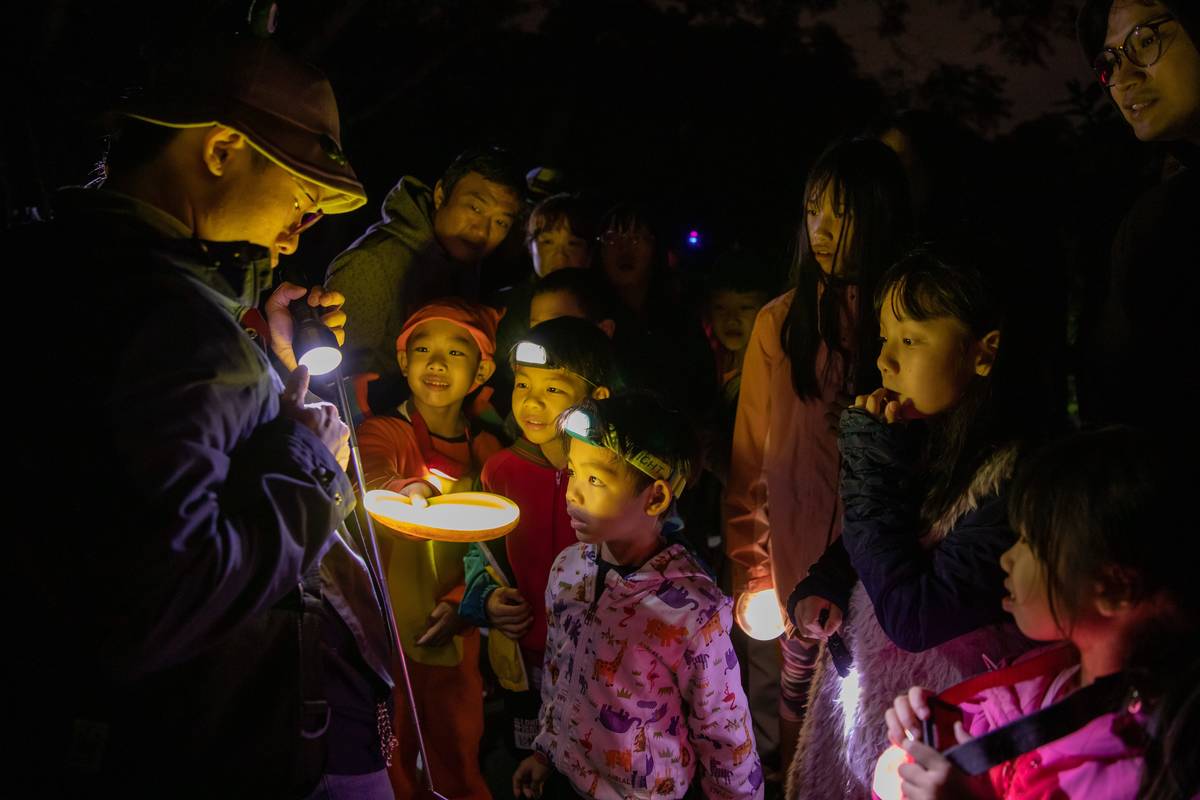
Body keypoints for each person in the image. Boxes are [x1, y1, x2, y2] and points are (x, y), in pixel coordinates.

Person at [14, 35, 401, 798]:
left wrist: (265, 360)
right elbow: (156, 602)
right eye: (302, 194)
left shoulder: (69, 268)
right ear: (223, 149)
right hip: (187, 752)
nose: (303, 225)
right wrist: (310, 463)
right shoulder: (167, 319)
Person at [786, 249, 1055, 798]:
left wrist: (867, 464)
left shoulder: (1017, 478)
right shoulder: (925, 437)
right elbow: (880, 537)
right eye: (884, 338)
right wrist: (827, 580)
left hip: (951, 729)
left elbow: (914, 615)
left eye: (910, 340)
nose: (884, 361)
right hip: (877, 713)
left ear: (984, 352)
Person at [724, 139, 913, 778]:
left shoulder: (904, 325)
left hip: (879, 584)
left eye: (843, 212)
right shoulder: (781, 323)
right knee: (794, 739)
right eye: (813, 212)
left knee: (866, 741)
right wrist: (750, 571)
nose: (823, 230)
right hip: (791, 580)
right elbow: (750, 458)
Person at [879, 428, 1199, 800]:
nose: (1007, 558)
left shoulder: (1142, 771)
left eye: (1029, 541)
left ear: (1113, 589)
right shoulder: (1053, 674)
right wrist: (928, 732)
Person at [512, 392, 764, 800]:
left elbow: (724, 733)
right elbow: (558, 674)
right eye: (573, 471)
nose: (573, 492)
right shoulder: (568, 569)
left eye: (595, 479)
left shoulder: (694, 612)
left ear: (657, 498)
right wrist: (546, 751)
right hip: (566, 780)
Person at [356, 299, 505, 800]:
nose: (436, 363)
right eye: (422, 349)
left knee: (456, 750)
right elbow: (372, 474)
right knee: (387, 752)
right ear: (403, 362)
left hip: (451, 632)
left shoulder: (490, 454)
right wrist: (405, 490)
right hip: (384, 630)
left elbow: (500, 550)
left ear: (482, 367)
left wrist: (466, 599)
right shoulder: (384, 432)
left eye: (454, 352)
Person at [459, 317, 618, 767]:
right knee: (529, 762)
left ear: (597, 398)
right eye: (523, 384)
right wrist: (485, 599)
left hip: (602, 666)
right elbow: (480, 550)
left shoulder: (617, 475)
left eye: (553, 390)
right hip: (525, 660)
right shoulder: (501, 470)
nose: (531, 401)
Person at [1075, 0, 1200, 428]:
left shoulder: (1165, 217)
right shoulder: (1149, 211)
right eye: (1109, 61)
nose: (1123, 79)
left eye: (1145, 41)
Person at [325, 146, 524, 411]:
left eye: (501, 222)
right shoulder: (373, 262)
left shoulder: (464, 262)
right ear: (441, 194)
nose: (482, 230)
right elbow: (338, 380)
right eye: (475, 207)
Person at [597, 202, 717, 422]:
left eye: (636, 238)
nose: (625, 249)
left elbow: (703, 392)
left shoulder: (681, 317)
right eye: (613, 239)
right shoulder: (589, 312)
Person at [492, 192, 598, 415]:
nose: (560, 255)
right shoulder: (506, 305)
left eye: (573, 244)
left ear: (589, 254)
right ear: (530, 248)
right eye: (547, 242)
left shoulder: (600, 304)